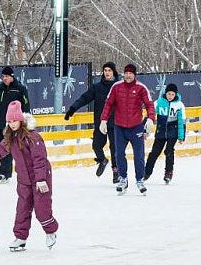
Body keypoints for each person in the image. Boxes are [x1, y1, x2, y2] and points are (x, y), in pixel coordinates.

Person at [0, 101, 58, 251]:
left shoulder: (33, 137)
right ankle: (20, 238)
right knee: (22, 209)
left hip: (39, 178)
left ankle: (51, 231)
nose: (12, 124)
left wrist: (41, 179)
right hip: (23, 180)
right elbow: (0, 150)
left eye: (14, 121)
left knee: (42, 208)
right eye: (9, 121)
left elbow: (40, 159)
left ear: (21, 120)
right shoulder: (11, 137)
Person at [100, 64, 156, 195]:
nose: (128, 75)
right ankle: (123, 179)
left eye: (131, 73)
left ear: (134, 75)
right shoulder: (116, 87)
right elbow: (108, 103)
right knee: (119, 154)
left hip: (136, 127)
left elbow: (149, 104)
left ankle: (140, 180)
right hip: (119, 127)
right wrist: (104, 119)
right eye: (126, 73)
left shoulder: (141, 88)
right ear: (123, 74)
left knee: (139, 156)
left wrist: (150, 119)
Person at [65, 62, 119, 182]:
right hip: (101, 122)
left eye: (109, 70)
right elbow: (85, 98)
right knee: (96, 145)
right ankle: (102, 160)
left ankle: (116, 171)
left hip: (115, 122)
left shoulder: (119, 87)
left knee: (114, 147)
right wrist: (73, 108)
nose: (107, 73)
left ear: (114, 72)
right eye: (105, 70)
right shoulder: (97, 87)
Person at [0, 66, 31, 183]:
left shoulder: (20, 89)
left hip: (13, 124)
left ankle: (4, 173)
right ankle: (4, 172)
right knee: (0, 147)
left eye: (6, 76)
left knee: (9, 147)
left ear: (12, 76)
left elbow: (26, 106)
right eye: (3, 76)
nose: (4, 78)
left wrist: (24, 122)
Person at [144, 83, 186, 183]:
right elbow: (150, 117)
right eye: (169, 94)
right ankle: (146, 172)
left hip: (173, 132)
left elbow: (181, 121)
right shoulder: (158, 103)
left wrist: (181, 136)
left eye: (172, 94)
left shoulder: (179, 105)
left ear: (175, 94)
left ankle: (168, 172)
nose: (170, 96)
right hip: (161, 131)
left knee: (169, 151)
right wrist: (146, 130)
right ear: (165, 93)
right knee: (154, 152)